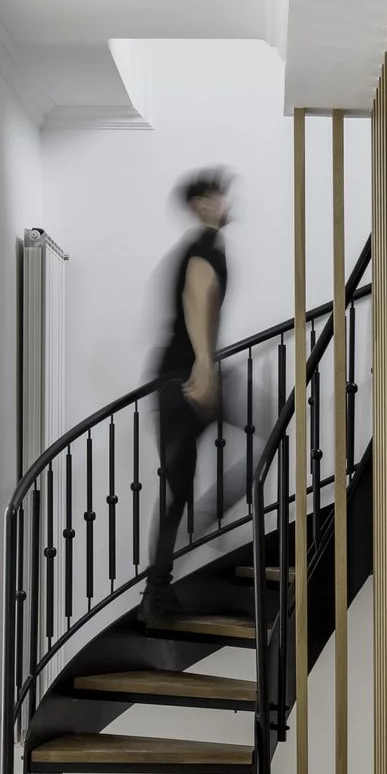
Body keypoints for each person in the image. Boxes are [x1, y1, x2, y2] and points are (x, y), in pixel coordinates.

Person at [141, 168, 232, 624]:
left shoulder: (204, 247)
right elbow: (198, 299)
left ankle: (157, 593)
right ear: (200, 204)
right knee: (177, 488)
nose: (225, 202)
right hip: (181, 377)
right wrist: (203, 364)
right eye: (217, 196)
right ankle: (156, 592)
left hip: (175, 377)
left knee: (177, 491)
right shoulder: (203, 248)